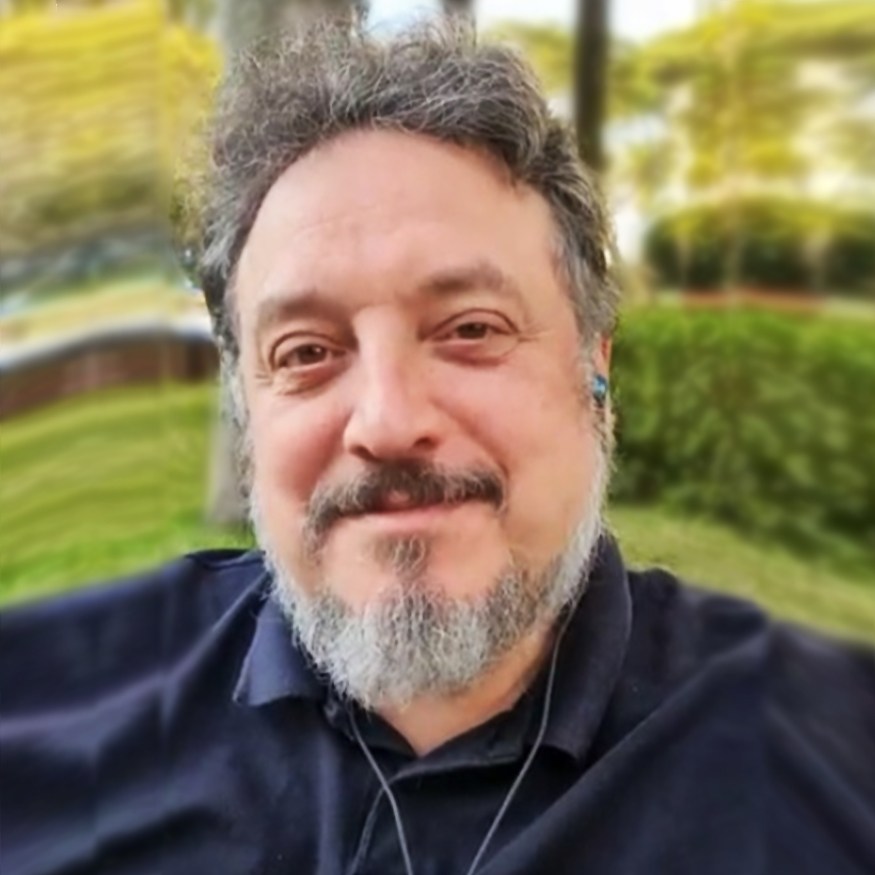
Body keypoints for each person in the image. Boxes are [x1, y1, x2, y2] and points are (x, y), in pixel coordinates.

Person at [2, 22, 873, 875]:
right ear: (245, 408)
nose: (386, 422)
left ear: (593, 369)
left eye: (469, 329)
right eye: (305, 351)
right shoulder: (46, 712)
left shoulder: (828, 763)